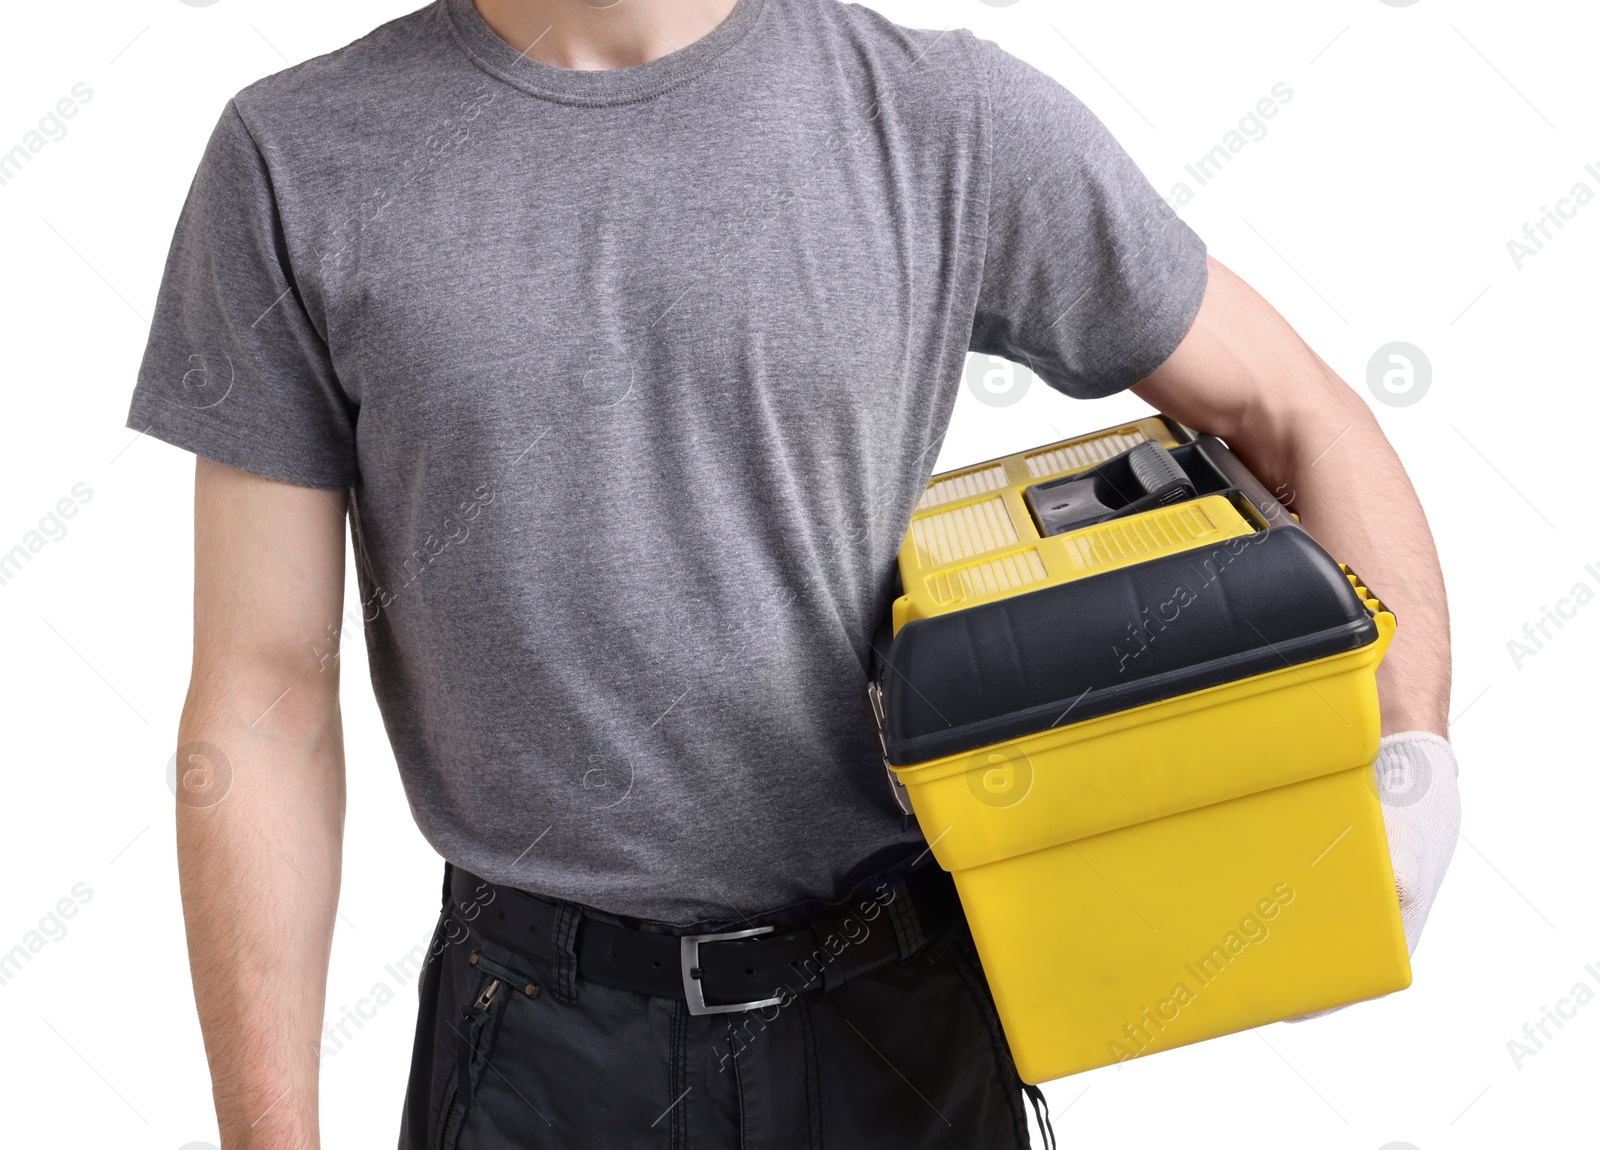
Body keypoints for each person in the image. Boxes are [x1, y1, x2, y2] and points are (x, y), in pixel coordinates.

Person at [126, 0, 1460, 1146]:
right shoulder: (297, 162)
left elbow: (1293, 412)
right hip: (536, 1041)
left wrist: (1408, 751)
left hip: (898, 1017)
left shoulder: (942, 119)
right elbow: (262, 696)